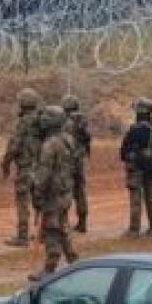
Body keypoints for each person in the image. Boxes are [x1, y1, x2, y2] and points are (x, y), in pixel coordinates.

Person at [30, 105, 78, 280]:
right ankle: (73, 260)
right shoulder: (68, 139)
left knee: (51, 230)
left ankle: (50, 268)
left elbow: (43, 174)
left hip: (53, 193)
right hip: (65, 190)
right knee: (62, 226)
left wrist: (37, 195)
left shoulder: (50, 144)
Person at [2, 88, 43, 246]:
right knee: (39, 201)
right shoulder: (41, 121)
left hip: (26, 168)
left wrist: (6, 163)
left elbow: (14, 146)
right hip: (41, 167)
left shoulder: (23, 122)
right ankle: (43, 233)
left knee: (22, 201)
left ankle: (22, 236)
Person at [120, 97, 152, 236]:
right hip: (150, 168)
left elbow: (123, 151)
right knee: (151, 197)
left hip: (136, 168)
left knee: (136, 199)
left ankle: (134, 229)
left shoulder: (133, 130)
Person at [61, 93, 92, 233]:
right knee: (80, 192)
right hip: (79, 160)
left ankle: (63, 222)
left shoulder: (64, 122)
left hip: (67, 160)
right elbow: (87, 139)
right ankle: (82, 222)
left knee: (64, 191)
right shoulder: (82, 121)